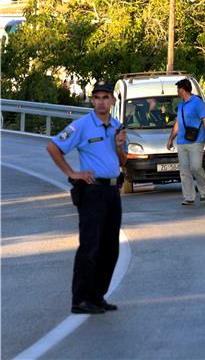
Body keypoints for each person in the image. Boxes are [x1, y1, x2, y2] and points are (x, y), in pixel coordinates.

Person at [46, 80, 128, 314]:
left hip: (113, 191)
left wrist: (120, 146)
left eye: (106, 97)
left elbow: (123, 162)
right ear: (93, 100)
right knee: (90, 246)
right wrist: (73, 173)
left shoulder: (117, 127)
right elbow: (53, 147)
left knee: (110, 247)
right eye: (97, 97)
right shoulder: (82, 125)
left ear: (113, 101)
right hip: (92, 192)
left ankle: (97, 296)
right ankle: (80, 299)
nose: (101, 102)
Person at [167, 78, 205, 205]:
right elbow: (178, 124)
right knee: (184, 171)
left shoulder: (197, 102)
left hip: (196, 141)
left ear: (182, 89)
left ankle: (203, 190)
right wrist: (171, 139)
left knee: (196, 167)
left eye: (178, 89)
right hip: (182, 142)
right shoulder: (181, 105)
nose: (177, 91)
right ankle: (189, 197)